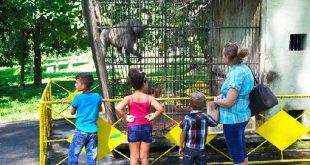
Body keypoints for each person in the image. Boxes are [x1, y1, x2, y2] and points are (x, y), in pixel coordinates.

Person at [213, 41, 254, 165]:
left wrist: (217, 101)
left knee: (237, 157)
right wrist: (222, 95)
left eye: (223, 55)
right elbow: (237, 92)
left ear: (227, 57)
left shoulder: (236, 73)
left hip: (233, 119)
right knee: (241, 154)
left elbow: (229, 102)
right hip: (242, 116)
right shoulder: (243, 68)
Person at [115, 68, 164, 165]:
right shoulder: (149, 98)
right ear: (144, 83)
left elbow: (118, 108)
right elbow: (160, 109)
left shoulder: (129, 98)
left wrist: (126, 117)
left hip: (133, 128)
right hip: (146, 127)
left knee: (134, 157)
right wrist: (152, 116)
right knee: (144, 157)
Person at [68, 73, 103, 165]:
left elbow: (72, 112)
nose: (75, 85)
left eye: (76, 83)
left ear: (83, 85)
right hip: (93, 131)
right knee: (92, 156)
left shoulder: (77, 97)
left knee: (73, 154)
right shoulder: (97, 96)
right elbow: (100, 109)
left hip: (81, 131)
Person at [179, 92, 218, 165]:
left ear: (190, 104)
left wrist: (181, 146)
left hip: (189, 148)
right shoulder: (206, 117)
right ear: (204, 105)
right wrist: (215, 109)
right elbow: (215, 123)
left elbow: (183, 134)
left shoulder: (187, 118)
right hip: (201, 149)